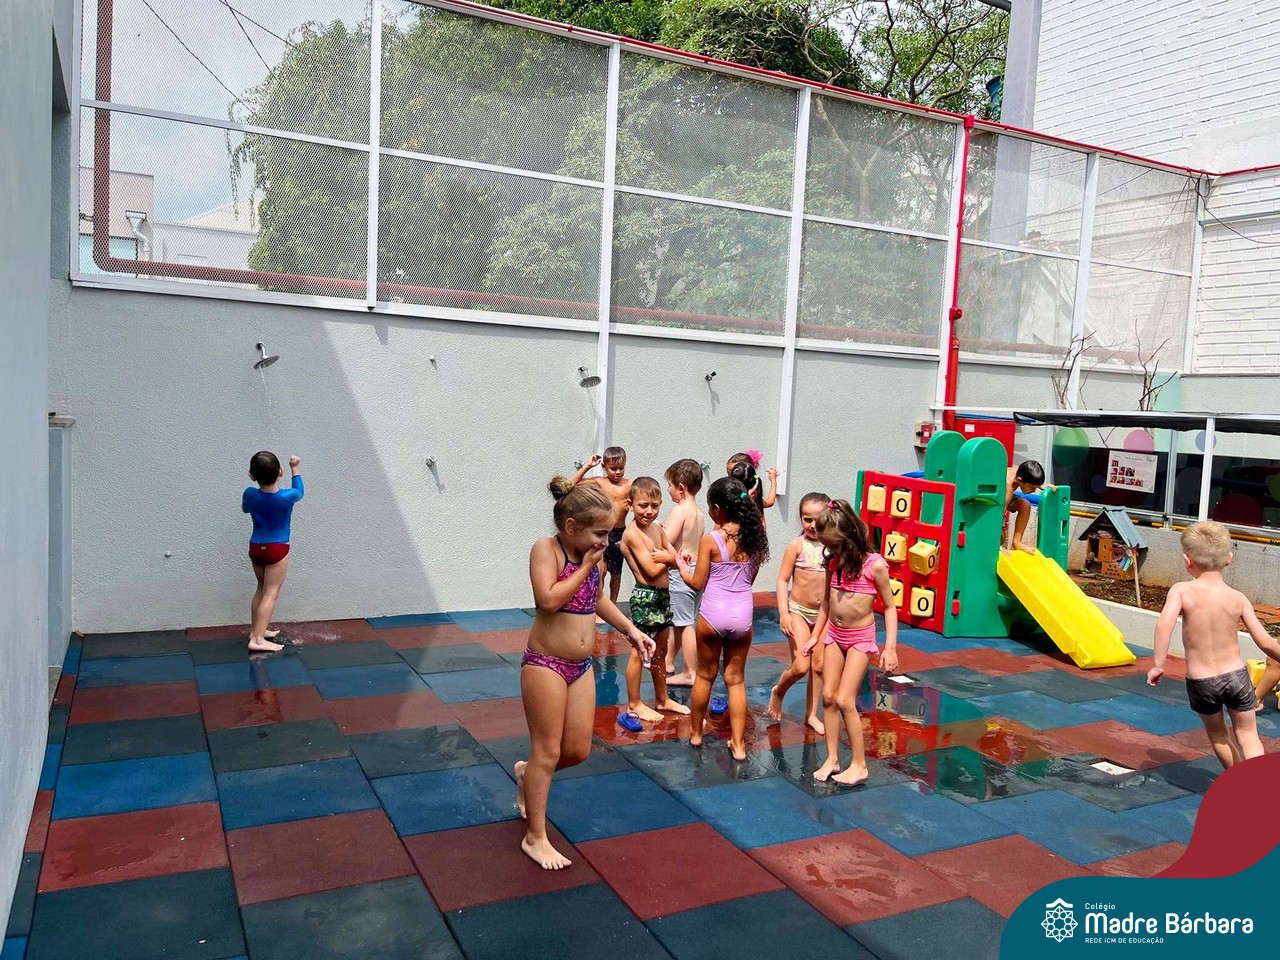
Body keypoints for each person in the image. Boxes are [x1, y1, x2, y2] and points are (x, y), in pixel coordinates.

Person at [515, 477, 655, 870]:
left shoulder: (591, 555)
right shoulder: (547, 549)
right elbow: (547, 600)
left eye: (609, 533)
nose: (605, 542)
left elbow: (598, 600)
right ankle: (535, 837)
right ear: (571, 526)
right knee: (548, 750)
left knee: (577, 751)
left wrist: (631, 630)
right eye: (599, 533)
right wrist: (587, 566)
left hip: (580, 666)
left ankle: (528, 774)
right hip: (546, 664)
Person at [1147, 521, 1280, 769]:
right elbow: (1265, 641)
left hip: (1202, 681)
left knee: (1219, 735)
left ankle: (1238, 782)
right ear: (1229, 559)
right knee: (1248, 735)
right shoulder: (1238, 598)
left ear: (1188, 561)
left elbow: (1165, 623)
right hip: (1236, 677)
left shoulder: (1181, 591)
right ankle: (1259, 783)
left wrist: (1158, 664)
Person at [803, 499, 899, 786]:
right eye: (828, 546)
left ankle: (859, 764)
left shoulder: (874, 565)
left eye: (835, 545)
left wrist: (890, 647)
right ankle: (832, 758)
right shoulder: (834, 562)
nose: (831, 551)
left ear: (850, 537)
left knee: (845, 699)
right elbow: (826, 604)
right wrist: (815, 635)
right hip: (834, 634)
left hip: (860, 639)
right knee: (828, 697)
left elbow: (890, 607)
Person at [675, 476, 769, 761]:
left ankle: (695, 733)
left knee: (705, 675)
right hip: (742, 614)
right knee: (736, 681)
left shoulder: (711, 539)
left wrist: (681, 567)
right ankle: (739, 745)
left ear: (717, 508)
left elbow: (698, 583)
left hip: (713, 615)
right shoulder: (755, 537)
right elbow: (749, 579)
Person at [620, 477, 690, 723]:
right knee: (639, 651)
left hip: (662, 596)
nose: (649, 511)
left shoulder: (657, 529)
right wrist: (671, 560)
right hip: (646, 597)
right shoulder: (632, 534)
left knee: (660, 651)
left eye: (655, 505)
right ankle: (634, 703)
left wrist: (671, 558)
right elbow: (651, 570)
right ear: (630, 505)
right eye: (643, 506)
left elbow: (672, 553)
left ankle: (662, 698)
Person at [768, 492, 830, 734]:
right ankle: (779, 691)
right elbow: (783, 580)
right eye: (807, 519)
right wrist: (783, 613)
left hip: (824, 615)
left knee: (819, 666)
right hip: (799, 613)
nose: (812, 525)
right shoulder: (797, 545)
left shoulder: (833, 547)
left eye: (818, 519)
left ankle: (811, 714)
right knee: (801, 667)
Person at [242, 451, 304, 653]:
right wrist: (295, 467)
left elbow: (245, 509)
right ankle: (258, 640)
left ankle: (256, 631)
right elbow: (300, 490)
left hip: (256, 547)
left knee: (261, 589)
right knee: (271, 593)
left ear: (251, 475)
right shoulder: (287, 497)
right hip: (277, 548)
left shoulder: (249, 494)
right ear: (280, 472)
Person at [571, 447, 633, 614]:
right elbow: (572, 483)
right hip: (603, 533)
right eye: (613, 468)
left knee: (616, 573)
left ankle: (613, 605)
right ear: (604, 467)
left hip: (619, 533)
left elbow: (644, 499)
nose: (618, 472)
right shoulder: (600, 483)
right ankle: (600, 606)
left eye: (621, 468)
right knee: (601, 570)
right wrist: (588, 465)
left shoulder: (629, 485)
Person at [663, 459, 706, 686]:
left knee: (685, 624)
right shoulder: (699, 513)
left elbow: (666, 540)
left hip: (680, 572)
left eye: (669, 485)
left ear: (681, 487)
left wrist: (657, 529)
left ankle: (690, 672)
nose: (668, 490)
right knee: (681, 621)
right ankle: (669, 661)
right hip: (696, 569)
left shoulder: (680, 510)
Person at [1005, 460, 1047, 554]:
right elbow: (997, 517)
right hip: (986, 504)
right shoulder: (1008, 488)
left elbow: (1028, 479)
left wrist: (1041, 485)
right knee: (1001, 536)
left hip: (1001, 499)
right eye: (1032, 488)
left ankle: (1017, 542)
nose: (1034, 491)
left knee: (1025, 505)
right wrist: (996, 546)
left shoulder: (1021, 473)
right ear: (1020, 480)